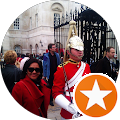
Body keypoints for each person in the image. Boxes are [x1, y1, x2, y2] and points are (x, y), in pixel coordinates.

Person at [52, 20, 91, 120]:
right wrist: (69, 107)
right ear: (69, 51)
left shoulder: (86, 66)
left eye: (81, 50)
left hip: (86, 107)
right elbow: (56, 93)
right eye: (77, 50)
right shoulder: (62, 68)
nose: (80, 52)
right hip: (69, 110)